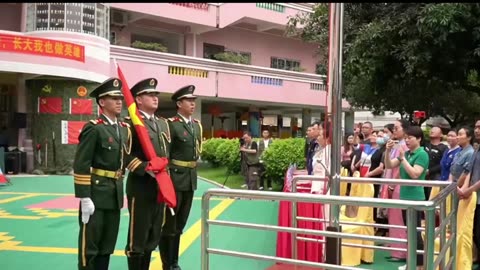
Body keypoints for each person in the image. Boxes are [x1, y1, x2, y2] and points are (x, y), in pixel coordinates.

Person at [73, 77, 132, 270]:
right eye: (113, 98)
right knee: (90, 246)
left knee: (107, 246)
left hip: (114, 194)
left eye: (120, 98)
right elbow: (81, 163)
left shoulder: (122, 129)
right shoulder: (94, 128)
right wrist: (84, 197)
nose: (118, 102)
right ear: (101, 102)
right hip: (96, 194)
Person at [124, 78, 171, 270]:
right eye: (150, 94)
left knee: (153, 234)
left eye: (156, 95)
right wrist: (145, 168)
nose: (155, 98)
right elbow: (125, 155)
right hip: (141, 187)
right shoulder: (130, 123)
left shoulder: (161, 123)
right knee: (138, 237)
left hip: (159, 187)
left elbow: (166, 152)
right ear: (138, 99)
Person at [160, 85, 203, 270]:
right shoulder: (171, 124)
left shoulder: (196, 125)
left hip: (190, 179)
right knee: (169, 224)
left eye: (194, 101)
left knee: (180, 225)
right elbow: (165, 154)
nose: (193, 104)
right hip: (175, 179)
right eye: (189, 101)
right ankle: (167, 263)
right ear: (179, 103)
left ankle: (174, 262)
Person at [385, 126, 429, 270]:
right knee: (409, 231)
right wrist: (387, 151)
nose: (407, 141)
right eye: (406, 138)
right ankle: (412, 262)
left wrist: (403, 158)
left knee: (415, 232)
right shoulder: (408, 153)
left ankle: (421, 264)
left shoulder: (422, 154)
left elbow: (415, 174)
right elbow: (389, 165)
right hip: (404, 197)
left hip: (415, 197)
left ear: (419, 139)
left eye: (410, 138)